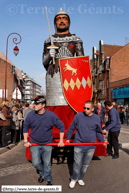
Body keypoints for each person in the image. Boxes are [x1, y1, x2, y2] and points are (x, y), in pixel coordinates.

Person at [23, 95, 65, 185]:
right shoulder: (31, 115)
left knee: (47, 163)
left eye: (37, 104)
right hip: (34, 143)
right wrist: (25, 140)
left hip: (47, 143)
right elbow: (25, 127)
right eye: (34, 103)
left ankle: (48, 178)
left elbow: (61, 126)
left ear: (43, 105)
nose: (34, 105)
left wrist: (61, 141)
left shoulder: (51, 115)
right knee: (36, 163)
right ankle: (42, 174)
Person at [66, 101, 106, 188]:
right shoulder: (78, 116)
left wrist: (102, 141)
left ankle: (80, 178)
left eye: (88, 108)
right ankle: (74, 179)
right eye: (84, 108)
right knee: (77, 163)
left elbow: (98, 131)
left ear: (92, 109)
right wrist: (68, 138)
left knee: (85, 164)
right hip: (78, 143)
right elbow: (71, 127)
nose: (85, 110)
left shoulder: (96, 118)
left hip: (91, 145)